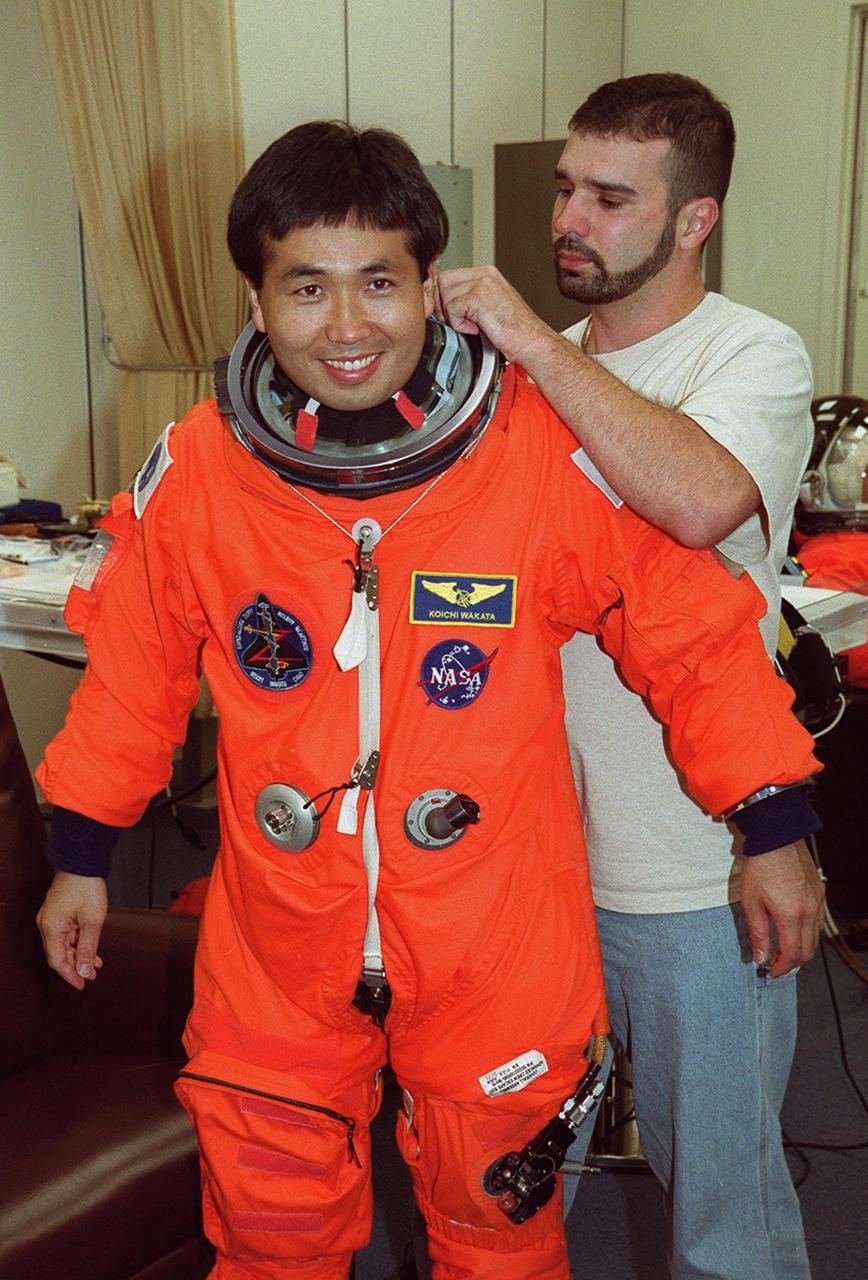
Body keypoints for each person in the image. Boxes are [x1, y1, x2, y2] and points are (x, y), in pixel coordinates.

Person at [35, 119, 821, 1280]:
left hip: (494, 940)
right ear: (256, 303)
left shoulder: (529, 451)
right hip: (277, 950)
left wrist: (771, 820)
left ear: (429, 289)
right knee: (269, 1238)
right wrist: (84, 850)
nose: (347, 326)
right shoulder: (199, 472)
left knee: (495, 1237)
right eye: (307, 287)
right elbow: (134, 670)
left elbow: (686, 631)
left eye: (379, 284)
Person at [439, 74, 825, 1279]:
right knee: (495, 1183)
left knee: (721, 1207)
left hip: (683, 873)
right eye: (565, 187)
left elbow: (701, 500)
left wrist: (534, 346)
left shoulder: (750, 352)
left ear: (693, 219)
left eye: (611, 198)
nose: (570, 218)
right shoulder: (508, 378)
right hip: (523, 863)